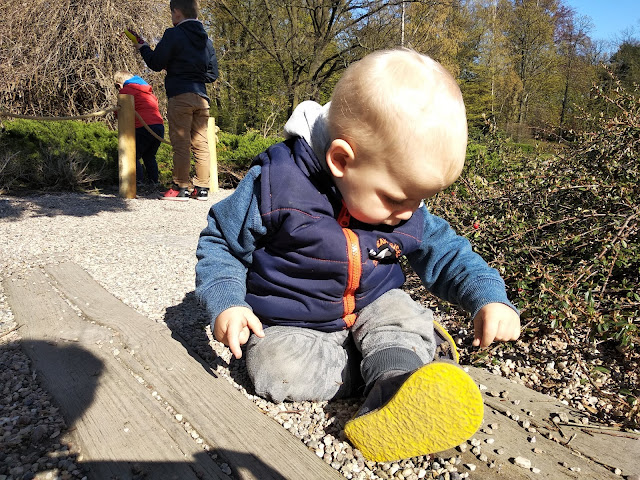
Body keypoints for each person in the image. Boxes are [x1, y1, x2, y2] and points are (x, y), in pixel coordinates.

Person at [195, 48, 521, 462]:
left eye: (422, 199)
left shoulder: (404, 204)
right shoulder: (276, 187)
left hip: (374, 304)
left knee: (397, 315)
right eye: (397, 198)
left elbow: (449, 251)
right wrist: (228, 303)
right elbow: (221, 242)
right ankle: (399, 363)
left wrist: (488, 296)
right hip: (295, 318)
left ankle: (395, 381)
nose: (409, 213)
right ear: (341, 160)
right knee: (274, 369)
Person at [132, 0, 218, 201]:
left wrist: (143, 47)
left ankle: (180, 187)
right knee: (201, 143)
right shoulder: (207, 40)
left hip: (180, 95)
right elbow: (212, 74)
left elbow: (155, 63)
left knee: (181, 143)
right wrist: (193, 73)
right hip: (202, 98)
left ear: (177, 12)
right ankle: (202, 188)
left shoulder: (173, 34)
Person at [114, 71, 164, 189]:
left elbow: (119, 112)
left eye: (117, 86)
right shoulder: (148, 91)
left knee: (132, 155)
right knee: (149, 156)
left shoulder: (126, 91)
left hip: (143, 127)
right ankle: (153, 183)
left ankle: (136, 183)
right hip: (158, 126)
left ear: (120, 83)